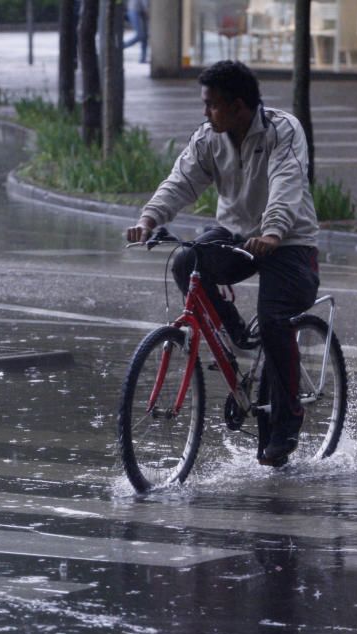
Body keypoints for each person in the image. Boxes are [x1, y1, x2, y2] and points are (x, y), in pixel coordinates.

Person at [126, 60, 320, 466]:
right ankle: (235, 337)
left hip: (289, 240)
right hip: (236, 234)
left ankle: (287, 421)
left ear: (238, 105)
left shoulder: (283, 129)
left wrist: (273, 232)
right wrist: (149, 219)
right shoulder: (208, 138)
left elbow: (286, 182)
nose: (205, 112)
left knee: (274, 321)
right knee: (185, 262)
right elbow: (180, 182)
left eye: (211, 105)